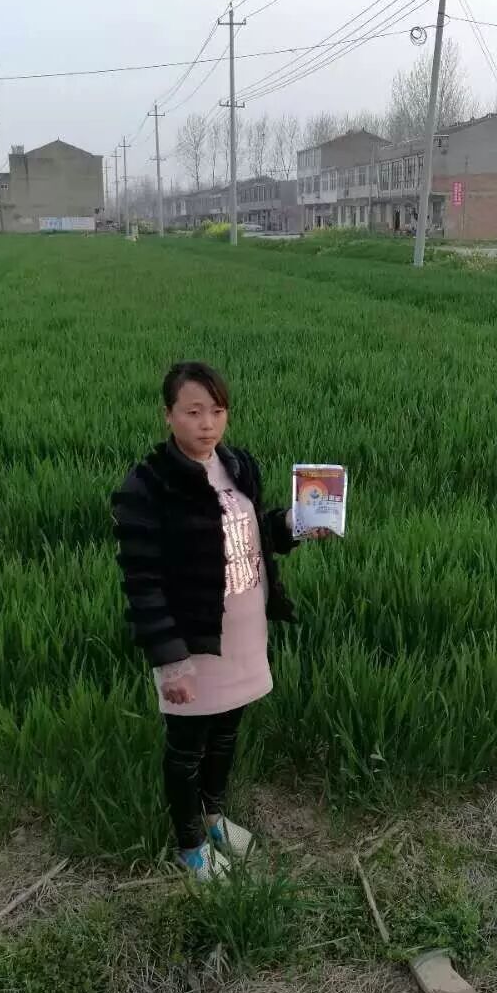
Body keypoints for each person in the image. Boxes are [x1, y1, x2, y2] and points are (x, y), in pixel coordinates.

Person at [111, 361, 330, 882]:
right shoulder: (148, 485)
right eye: (193, 411)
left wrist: (296, 524)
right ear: (168, 415)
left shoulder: (236, 465)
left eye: (217, 410)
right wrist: (171, 661)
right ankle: (190, 846)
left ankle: (213, 817)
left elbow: (254, 535)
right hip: (192, 641)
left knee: (226, 732)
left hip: (245, 629)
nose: (207, 423)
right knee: (187, 745)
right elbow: (142, 581)